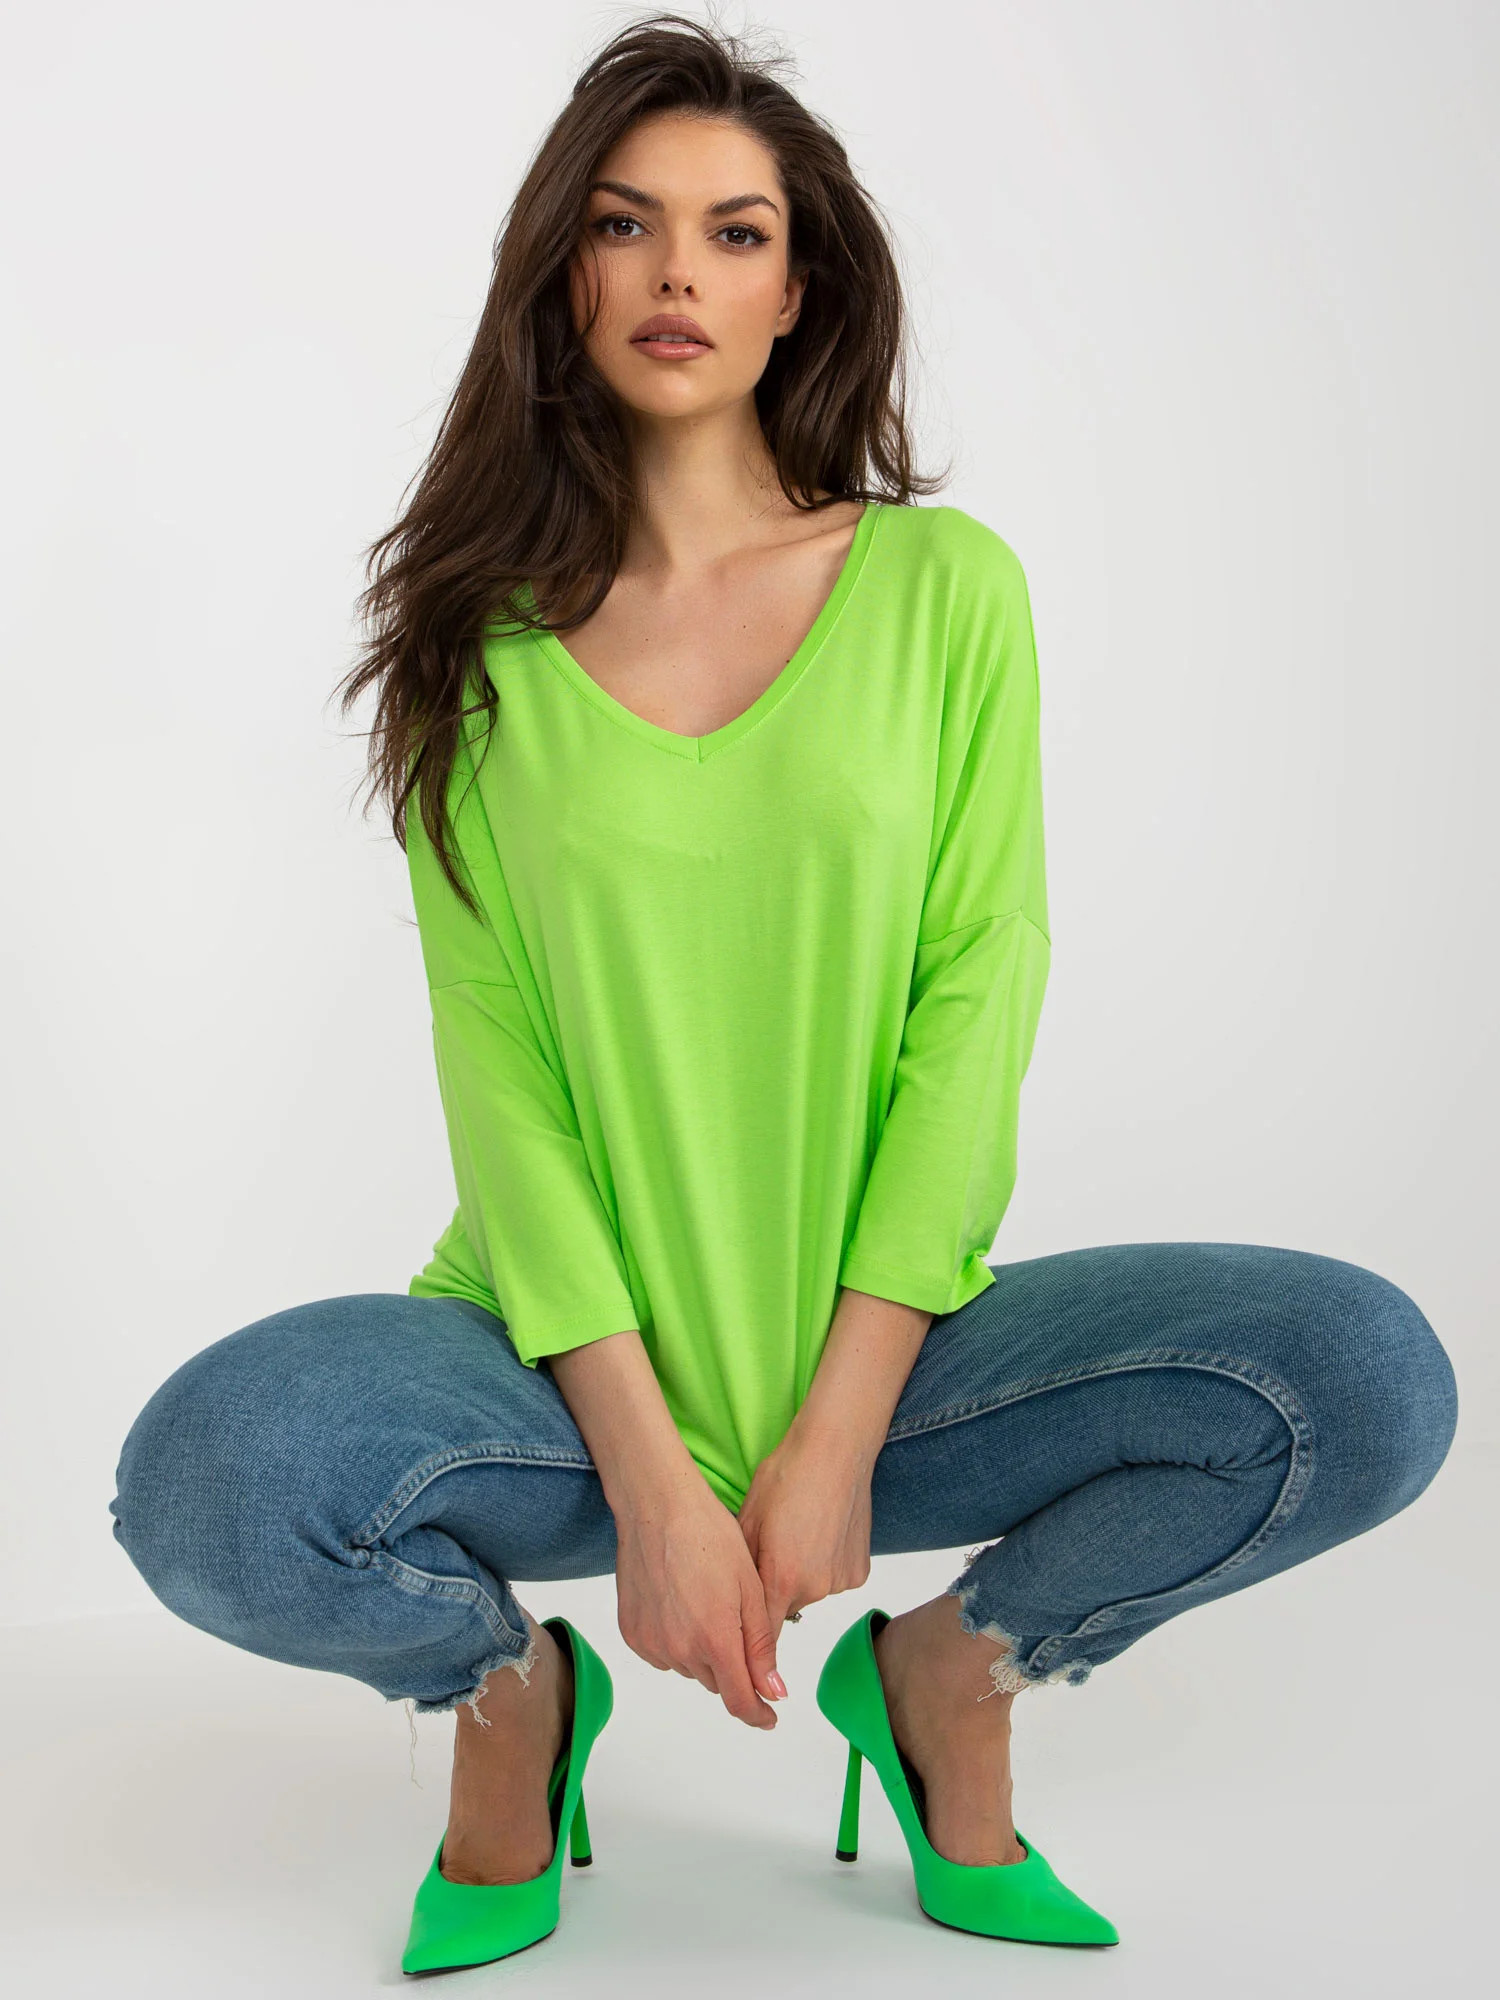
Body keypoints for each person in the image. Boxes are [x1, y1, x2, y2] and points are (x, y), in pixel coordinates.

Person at [109, 11, 1458, 1975]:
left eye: (734, 232)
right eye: (626, 224)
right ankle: (510, 1703)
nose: (678, 272)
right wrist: (655, 1483)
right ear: (564, 273)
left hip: (898, 1367)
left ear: (795, 287)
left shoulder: (945, 591)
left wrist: (837, 1434)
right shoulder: (475, 652)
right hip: (559, 1383)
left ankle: (951, 1680)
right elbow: (503, 1078)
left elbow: (978, 996)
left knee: (1365, 1375)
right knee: (207, 1480)